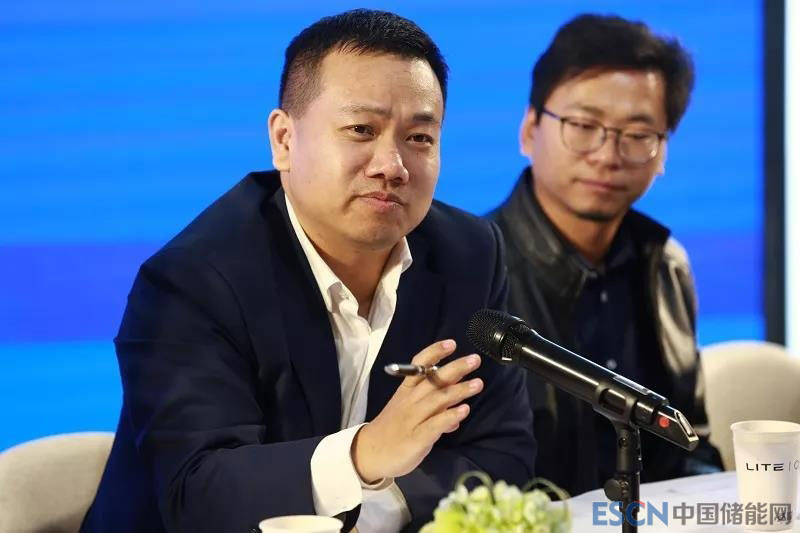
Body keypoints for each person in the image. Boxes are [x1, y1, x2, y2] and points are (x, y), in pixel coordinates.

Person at [80, 9, 535, 533]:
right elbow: (199, 493)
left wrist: (375, 500)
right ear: (284, 140)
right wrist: (364, 455)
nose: (392, 165)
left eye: (419, 138)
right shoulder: (190, 282)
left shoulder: (469, 254)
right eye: (361, 130)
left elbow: (503, 455)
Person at [489, 14, 721, 497]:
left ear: (662, 153)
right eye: (583, 125)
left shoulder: (666, 265)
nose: (607, 154)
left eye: (637, 134)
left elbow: (690, 445)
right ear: (529, 130)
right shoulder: (473, 269)